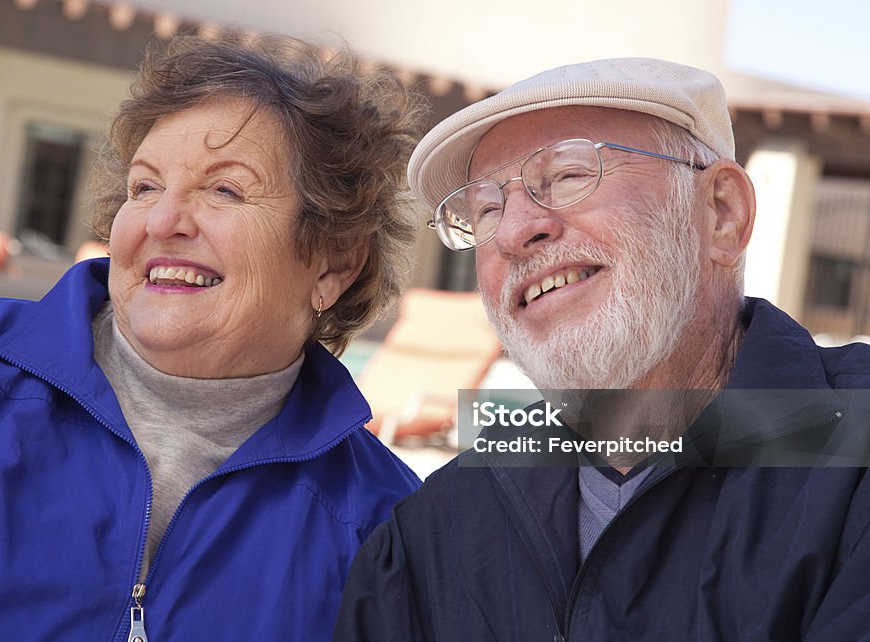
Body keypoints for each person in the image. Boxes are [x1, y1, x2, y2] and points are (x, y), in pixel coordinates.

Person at [0, 34, 425, 641]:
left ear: (334, 262)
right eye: (144, 187)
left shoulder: (384, 525)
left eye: (224, 189)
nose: (162, 221)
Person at [334, 58, 870, 640]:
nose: (514, 232)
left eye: (567, 175)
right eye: (485, 210)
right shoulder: (430, 532)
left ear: (721, 214)